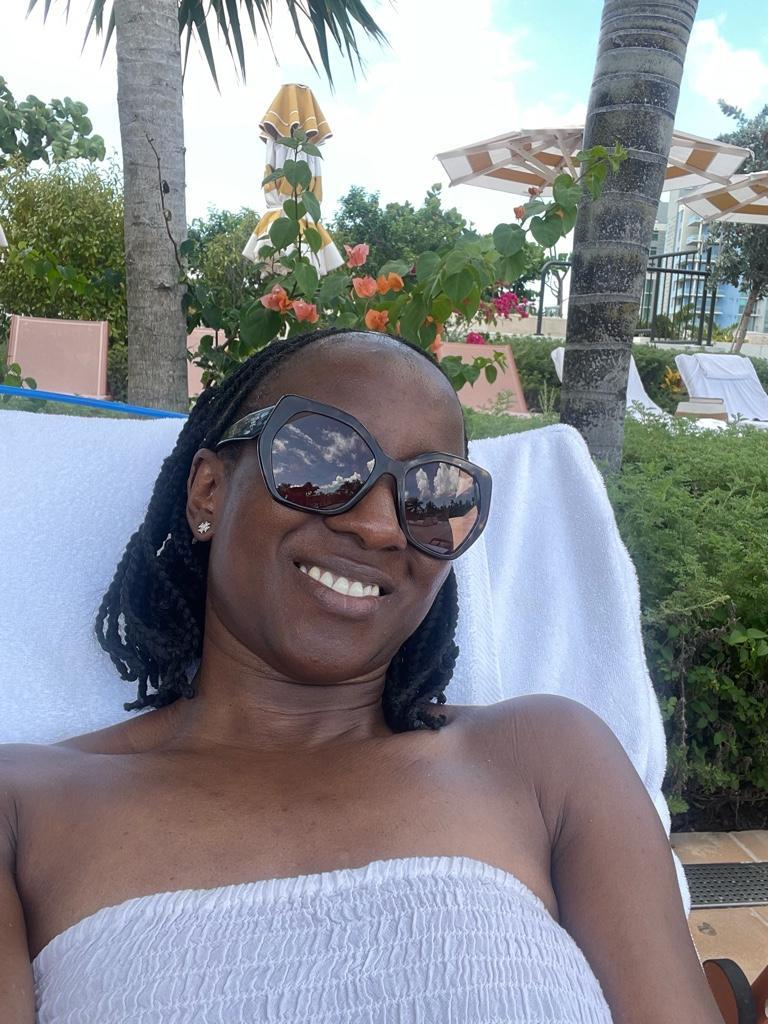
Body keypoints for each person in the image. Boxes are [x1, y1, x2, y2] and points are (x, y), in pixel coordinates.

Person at [0, 329, 722, 1023]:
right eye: (322, 462)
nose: (380, 527)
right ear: (209, 492)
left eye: (432, 495)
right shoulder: (23, 809)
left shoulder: (548, 761)